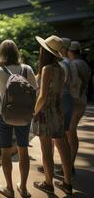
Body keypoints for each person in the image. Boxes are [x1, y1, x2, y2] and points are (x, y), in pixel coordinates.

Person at [0, 40, 37, 198]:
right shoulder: (27, 69)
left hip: (3, 114)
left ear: (0, 53)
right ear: (17, 52)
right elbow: (34, 90)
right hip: (23, 114)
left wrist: (0, 102)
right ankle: (24, 188)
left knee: (5, 152)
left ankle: (9, 189)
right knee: (23, 151)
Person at [32, 35, 72, 195]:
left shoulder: (46, 69)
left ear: (46, 51)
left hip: (45, 111)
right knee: (63, 147)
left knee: (47, 149)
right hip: (58, 109)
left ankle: (48, 183)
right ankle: (68, 183)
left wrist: (34, 112)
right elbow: (59, 93)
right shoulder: (61, 69)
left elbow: (42, 95)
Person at [67, 41, 91, 173]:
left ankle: (69, 165)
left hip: (74, 101)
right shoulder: (85, 65)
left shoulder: (73, 64)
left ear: (70, 51)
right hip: (82, 100)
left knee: (70, 133)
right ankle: (70, 163)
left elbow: (74, 85)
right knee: (72, 131)